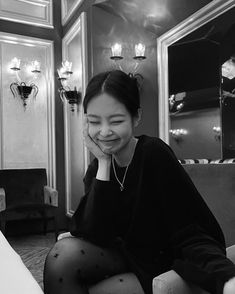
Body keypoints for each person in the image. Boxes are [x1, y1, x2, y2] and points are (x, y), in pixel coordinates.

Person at [44, 70, 235, 294]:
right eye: (94, 121)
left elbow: (191, 229)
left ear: (136, 117)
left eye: (116, 121)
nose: (104, 132)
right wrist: (104, 163)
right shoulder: (98, 166)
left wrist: (225, 277)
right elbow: (93, 232)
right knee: (62, 256)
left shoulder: (153, 153)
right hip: (121, 253)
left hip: (157, 259)